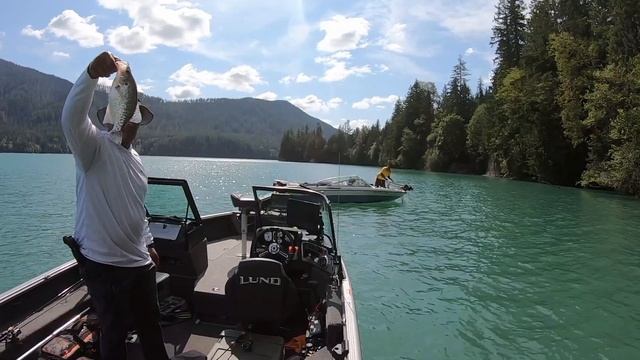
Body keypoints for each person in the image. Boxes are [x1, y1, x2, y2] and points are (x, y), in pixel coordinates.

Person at [61, 51, 168, 360]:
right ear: (114, 114)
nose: (132, 120)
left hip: (139, 263)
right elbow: (70, 118)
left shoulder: (135, 161)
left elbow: (136, 207)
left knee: (151, 325)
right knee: (114, 330)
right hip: (104, 265)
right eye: (128, 111)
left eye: (136, 115)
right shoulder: (92, 148)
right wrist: (91, 73)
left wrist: (148, 243)